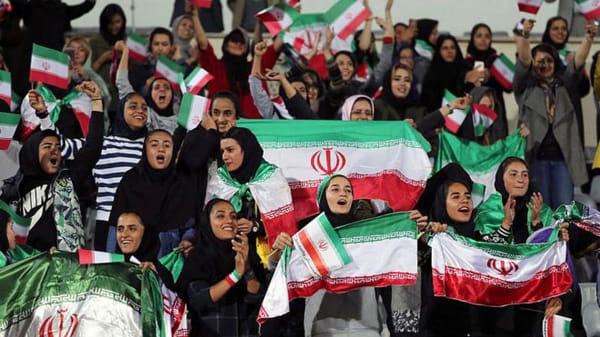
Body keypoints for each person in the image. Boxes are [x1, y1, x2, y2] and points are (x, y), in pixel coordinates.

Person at [474, 156, 580, 336]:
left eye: (524, 175)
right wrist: (506, 223)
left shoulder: (542, 210)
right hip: (501, 296)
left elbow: (551, 257)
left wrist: (538, 224)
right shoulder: (488, 211)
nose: (521, 179)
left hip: (535, 295)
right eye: (513, 174)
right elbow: (487, 255)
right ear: (501, 179)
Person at [0, 81, 104, 252]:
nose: (54, 150)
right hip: (29, 269)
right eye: (47, 147)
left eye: (57, 147)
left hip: (68, 268)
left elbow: (92, 148)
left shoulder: (69, 178)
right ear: (33, 152)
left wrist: (97, 102)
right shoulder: (14, 189)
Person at [513, 19, 593, 209]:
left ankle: (563, 240)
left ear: (555, 63)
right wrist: (524, 35)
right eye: (540, 61)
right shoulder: (526, 86)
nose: (545, 65)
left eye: (549, 60)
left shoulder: (564, 84)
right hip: (535, 158)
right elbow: (524, 60)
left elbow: (578, 63)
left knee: (563, 210)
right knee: (540, 211)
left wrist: (589, 37)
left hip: (563, 160)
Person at [415, 163, 485, 337]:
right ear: (441, 202)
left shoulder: (479, 238)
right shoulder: (433, 236)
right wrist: (426, 239)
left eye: (468, 197)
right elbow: (418, 256)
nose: (464, 201)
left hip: (475, 327)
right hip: (436, 328)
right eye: (455, 196)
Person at [177, 198, 265, 337]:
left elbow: (256, 296)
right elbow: (199, 300)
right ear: (208, 222)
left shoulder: (245, 253)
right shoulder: (198, 257)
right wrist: (235, 275)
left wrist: (247, 267)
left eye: (233, 216)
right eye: (220, 216)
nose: (229, 220)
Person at [206, 127, 297, 261]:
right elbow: (207, 222)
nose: (224, 156)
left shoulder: (272, 177)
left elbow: (284, 227)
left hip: (266, 258)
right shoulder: (220, 179)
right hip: (225, 256)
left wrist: (254, 227)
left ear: (246, 150)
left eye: (230, 150)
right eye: (222, 151)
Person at [109, 130, 195, 257]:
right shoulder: (131, 179)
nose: (161, 149)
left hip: (168, 257)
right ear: (145, 150)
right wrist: (110, 262)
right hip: (131, 262)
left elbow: (190, 224)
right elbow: (115, 226)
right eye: (154, 145)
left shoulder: (182, 183)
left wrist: (188, 240)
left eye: (167, 145)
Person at [191, 5, 281, 119]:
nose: (238, 44)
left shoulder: (256, 67)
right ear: (225, 45)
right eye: (234, 40)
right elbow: (203, 44)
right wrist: (194, 16)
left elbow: (277, 46)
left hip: (254, 127)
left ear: (246, 48)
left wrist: (289, 19)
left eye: (242, 42)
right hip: (221, 124)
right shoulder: (216, 67)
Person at [541, 16, 591, 147]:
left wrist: (575, 66)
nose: (560, 32)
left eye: (564, 29)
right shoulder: (539, 56)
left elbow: (584, 88)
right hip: (546, 118)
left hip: (570, 116)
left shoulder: (573, 55)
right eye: (555, 28)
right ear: (548, 31)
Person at [115, 40, 178, 133]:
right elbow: (121, 81)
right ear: (150, 94)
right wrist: (125, 52)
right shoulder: (145, 113)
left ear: (172, 95)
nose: (162, 90)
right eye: (156, 87)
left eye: (166, 87)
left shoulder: (182, 121)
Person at [463, 23, 510, 143]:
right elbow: (459, 89)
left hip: (495, 113)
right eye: (479, 36)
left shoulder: (497, 62)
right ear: (473, 39)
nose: (483, 39)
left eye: (487, 36)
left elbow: (510, 87)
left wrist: (492, 76)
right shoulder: (465, 63)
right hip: (471, 114)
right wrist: (469, 78)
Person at [64, 36, 111, 133]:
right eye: (72, 49)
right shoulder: (59, 74)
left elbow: (105, 98)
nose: (76, 53)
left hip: (88, 126)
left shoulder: (92, 76)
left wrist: (86, 78)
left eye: (81, 50)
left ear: (87, 54)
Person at [89, 3, 127, 123]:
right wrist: (102, 59)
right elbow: (87, 72)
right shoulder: (94, 42)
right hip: (101, 96)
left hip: (122, 97)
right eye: (110, 23)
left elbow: (138, 69)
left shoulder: (128, 41)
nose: (114, 26)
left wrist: (126, 55)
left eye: (117, 22)